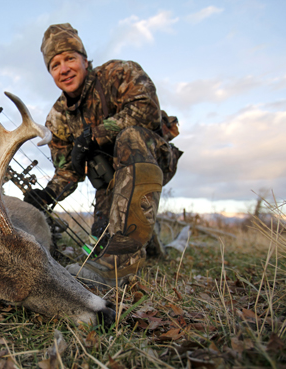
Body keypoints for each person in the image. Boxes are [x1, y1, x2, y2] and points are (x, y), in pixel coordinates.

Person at [24, 23, 181, 286]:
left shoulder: (120, 72)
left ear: (85, 60)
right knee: (98, 243)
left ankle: (121, 264)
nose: (64, 69)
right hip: (108, 181)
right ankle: (151, 248)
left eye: (70, 59)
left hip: (154, 157)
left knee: (129, 138)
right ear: (50, 73)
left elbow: (147, 110)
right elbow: (68, 171)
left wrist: (94, 135)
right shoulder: (57, 117)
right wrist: (48, 195)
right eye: (55, 65)